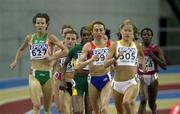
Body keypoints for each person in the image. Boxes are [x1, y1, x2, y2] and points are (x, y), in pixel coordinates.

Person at [9, 13, 68, 114]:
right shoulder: (30, 38)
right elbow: (21, 50)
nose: (40, 25)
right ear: (35, 24)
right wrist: (15, 61)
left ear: (46, 25)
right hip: (34, 74)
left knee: (47, 109)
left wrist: (52, 57)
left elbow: (66, 51)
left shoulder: (51, 38)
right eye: (38, 23)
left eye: (42, 23)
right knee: (36, 105)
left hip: (48, 75)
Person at [104, 19, 147, 114]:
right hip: (117, 84)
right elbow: (105, 64)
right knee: (120, 111)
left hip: (132, 82)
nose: (127, 33)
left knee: (126, 102)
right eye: (125, 30)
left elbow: (141, 55)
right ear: (121, 31)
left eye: (130, 31)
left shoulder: (137, 45)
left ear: (133, 33)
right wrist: (116, 57)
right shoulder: (115, 45)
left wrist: (143, 65)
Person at [77, 21, 112, 114]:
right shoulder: (88, 46)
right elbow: (79, 65)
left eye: (101, 30)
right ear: (92, 32)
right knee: (96, 111)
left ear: (104, 31)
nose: (99, 32)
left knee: (104, 109)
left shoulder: (110, 45)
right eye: (96, 30)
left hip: (106, 79)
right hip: (93, 80)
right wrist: (90, 60)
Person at [137, 27, 167, 114]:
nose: (146, 36)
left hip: (153, 78)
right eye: (144, 35)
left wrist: (153, 55)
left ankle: (154, 110)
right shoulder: (138, 47)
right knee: (143, 100)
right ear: (141, 36)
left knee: (151, 104)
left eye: (148, 35)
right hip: (141, 77)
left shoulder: (156, 48)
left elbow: (164, 66)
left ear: (151, 36)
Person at [63, 26, 92, 114]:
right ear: (81, 36)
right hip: (77, 82)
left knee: (89, 111)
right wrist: (62, 80)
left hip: (90, 82)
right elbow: (64, 64)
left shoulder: (94, 48)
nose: (86, 37)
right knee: (77, 111)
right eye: (84, 35)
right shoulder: (75, 49)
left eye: (88, 35)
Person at [53, 30, 78, 114]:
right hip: (64, 84)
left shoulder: (80, 52)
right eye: (68, 38)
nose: (70, 41)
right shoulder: (58, 53)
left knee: (77, 111)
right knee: (66, 110)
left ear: (76, 40)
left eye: (73, 39)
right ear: (64, 39)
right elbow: (51, 66)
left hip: (77, 85)